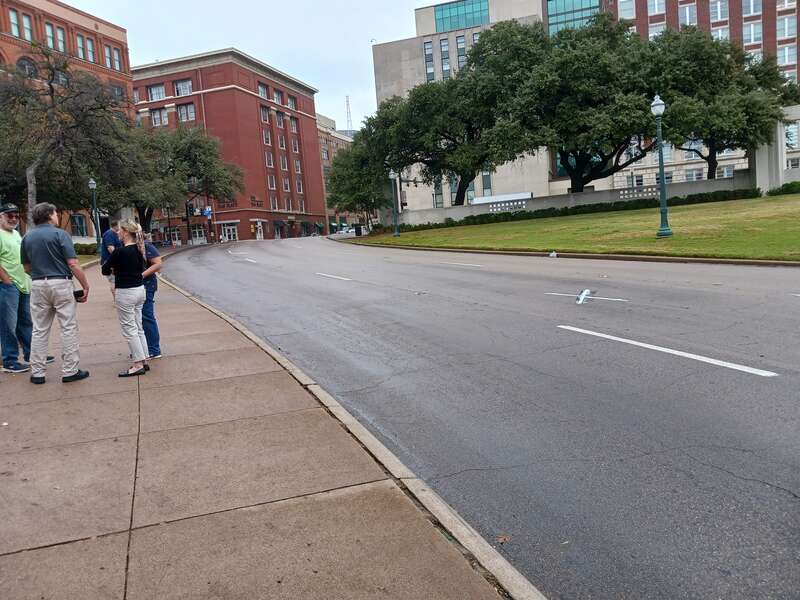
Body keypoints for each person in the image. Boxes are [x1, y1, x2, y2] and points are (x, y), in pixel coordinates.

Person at [20, 202, 90, 385]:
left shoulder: (27, 237)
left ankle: (37, 373)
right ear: (50, 215)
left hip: (37, 283)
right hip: (60, 282)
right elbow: (73, 264)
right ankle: (69, 370)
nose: (57, 216)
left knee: (39, 330)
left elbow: (26, 267)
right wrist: (85, 285)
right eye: (55, 213)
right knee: (68, 327)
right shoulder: (60, 234)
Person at [0, 204, 56, 373]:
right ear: (0, 217)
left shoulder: (16, 233)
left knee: (25, 322)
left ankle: (32, 354)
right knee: (8, 324)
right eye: (9, 216)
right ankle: (9, 361)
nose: (14, 219)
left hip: (23, 285)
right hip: (8, 286)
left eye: (16, 216)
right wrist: (7, 280)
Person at [102, 220, 149, 377]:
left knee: (129, 329)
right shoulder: (139, 249)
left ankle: (137, 363)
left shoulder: (119, 252)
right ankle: (144, 359)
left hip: (126, 292)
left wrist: (116, 269)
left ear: (126, 232)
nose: (117, 233)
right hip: (140, 290)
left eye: (120, 230)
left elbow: (104, 269)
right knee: (138, 326)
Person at [142, 234, 162, 359]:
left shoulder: (146, 246)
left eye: (121, 231)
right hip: (134, 287)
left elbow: (158, 263)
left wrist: (141, 275)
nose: (118, 233)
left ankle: (153, 349)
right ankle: (144, 348)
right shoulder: (126, 246)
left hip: (146, 285)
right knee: (139, 320)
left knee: (146, 317)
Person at [101, 221, 122, 297]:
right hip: (110, 262)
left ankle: (118, 299)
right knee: (113, 281)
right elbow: (110, 248)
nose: (120, 228)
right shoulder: (109, 234)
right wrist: (120, 258)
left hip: (113, 262)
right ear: (116, 226)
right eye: (120, 226)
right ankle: (116, 299)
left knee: (116, 280)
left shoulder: (115, 234)